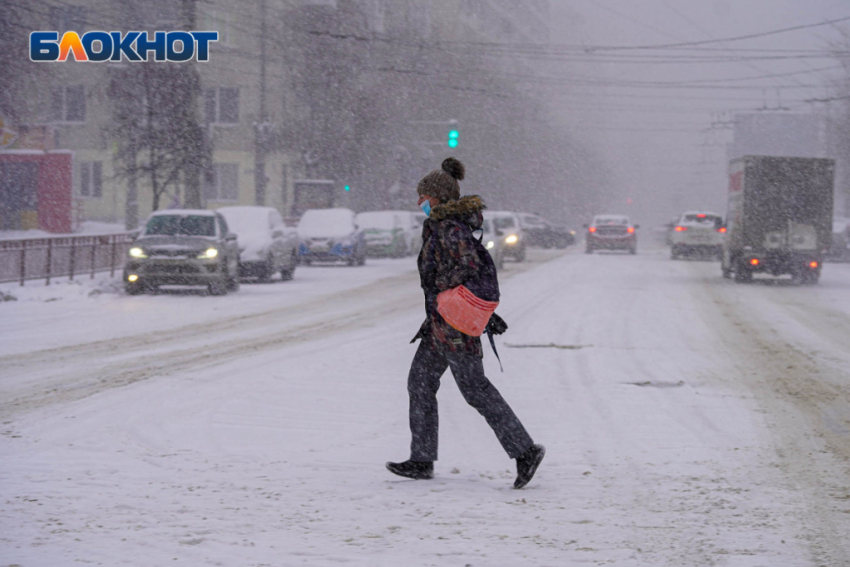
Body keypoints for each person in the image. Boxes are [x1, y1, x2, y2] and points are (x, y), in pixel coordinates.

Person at [386, 157, 545, 489]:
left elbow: (469, 267)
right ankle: (421, 459)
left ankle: (525, 451)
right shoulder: (442, 226)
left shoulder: (450, 228)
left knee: (475, 390)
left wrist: (450, 295)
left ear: (439, 197)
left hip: (453, 327)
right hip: (441, 323)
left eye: (423, 196)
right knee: (419, 383)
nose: (419, 203)